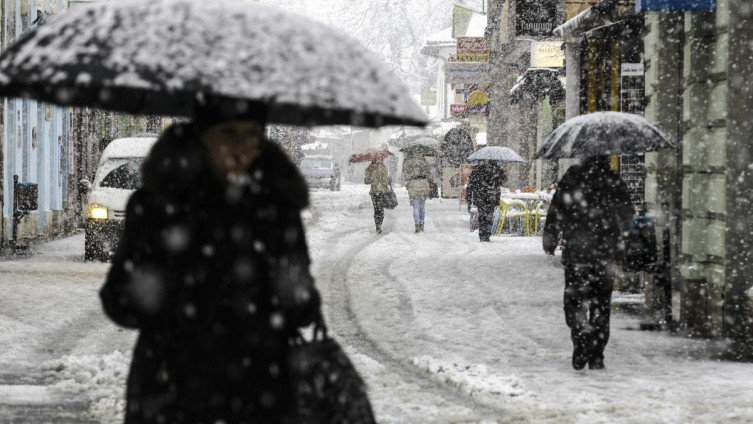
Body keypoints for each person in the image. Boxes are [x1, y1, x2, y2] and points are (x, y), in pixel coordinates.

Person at [100, 102, 322, 424]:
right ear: (202, 137)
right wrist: (144, 292)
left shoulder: (277, 209)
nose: (241, 145)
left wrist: (296, 291)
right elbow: (118, 303)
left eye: (252, 134)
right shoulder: (156, 206)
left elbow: (304, 310)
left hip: (261, 390)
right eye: (228, 133)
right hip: (171, 388)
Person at [543, 156, 633, 371]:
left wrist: (550, 238)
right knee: (601, 304)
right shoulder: (613, 180)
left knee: (574, 300)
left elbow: (557, 210)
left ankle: (581, 337)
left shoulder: (572, 178)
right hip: (606, 254)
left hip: (578, 253)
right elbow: (627, 216)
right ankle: (597, 353)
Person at [464, 160, 507, 242]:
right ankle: (486, 234)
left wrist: (469, 198)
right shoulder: (496, 168)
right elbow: (503, 180)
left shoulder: (478, 169)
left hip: (481, 196)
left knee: (483, 216)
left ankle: (483, 234)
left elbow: (471, 184)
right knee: (488, 216)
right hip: (491, 197)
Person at [402, 154, 432, 232]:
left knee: (416, 207)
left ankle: (417, 224)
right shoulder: (425, 163)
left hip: (414, 185)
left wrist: (408, 184)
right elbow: (430, 176)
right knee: (422, 206)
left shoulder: (409, 163)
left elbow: (406, 176)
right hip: (423, 185)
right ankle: (422, 223)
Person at [364, 159, 391, 234]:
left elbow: (366, 181)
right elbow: (386, 180)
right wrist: (389, 179)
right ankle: (380, 224)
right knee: (381, 209)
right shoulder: (383, 167)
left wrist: (372, 178)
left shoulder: (369, 168)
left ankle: (377, 225)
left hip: (374, 191)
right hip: (382, 191)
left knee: (376, 209)